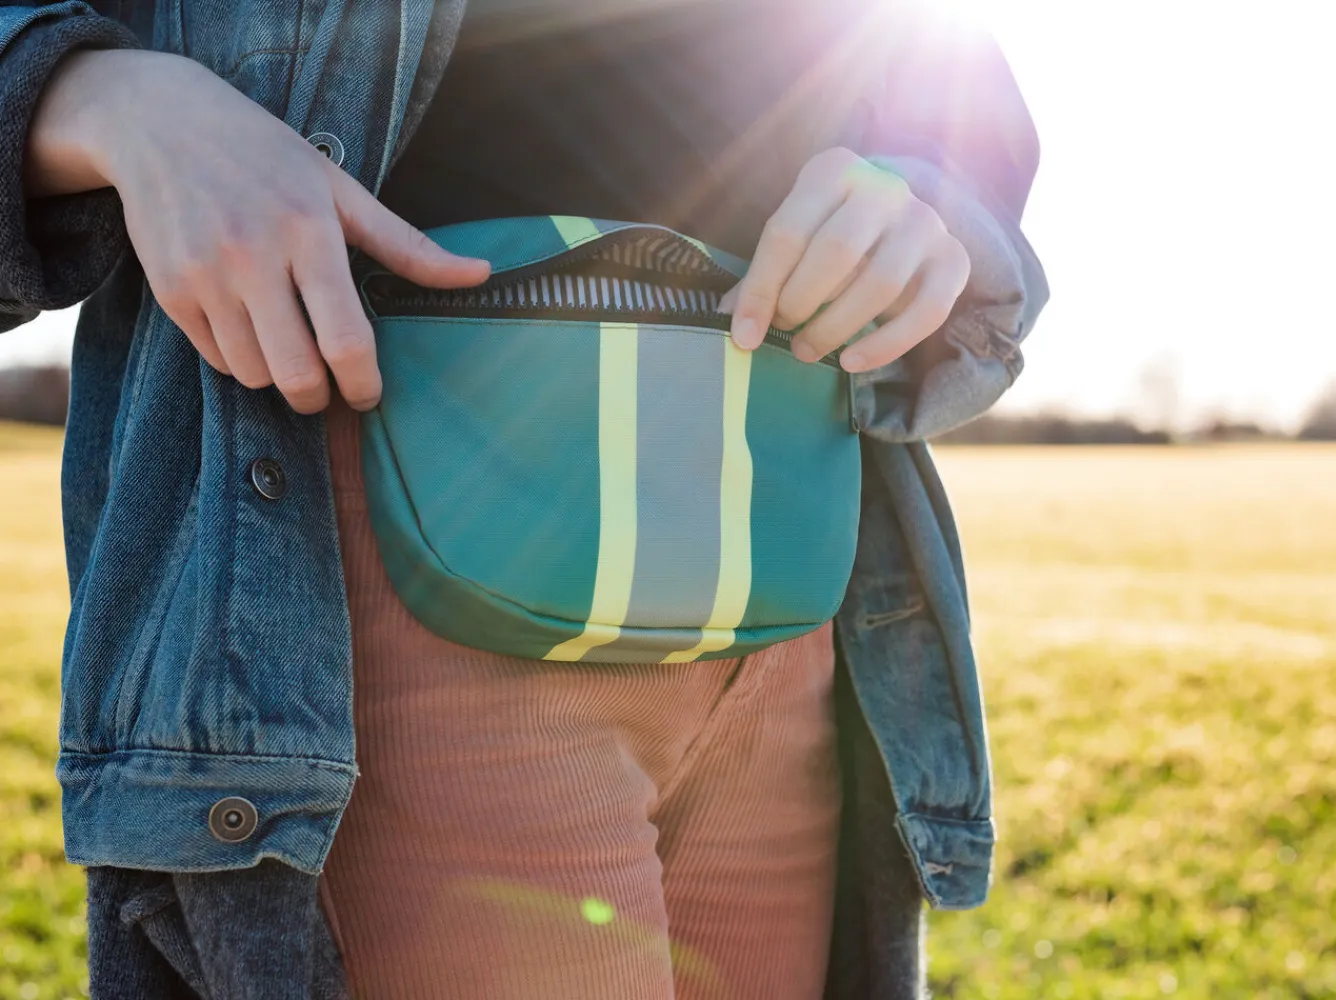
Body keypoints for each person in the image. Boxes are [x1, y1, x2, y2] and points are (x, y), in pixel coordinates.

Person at [1, 0, 1047, 996]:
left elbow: (952, 98)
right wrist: (117, 104)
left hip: (787, 552)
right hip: (390, 533)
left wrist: (925, 194)